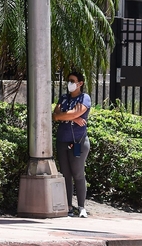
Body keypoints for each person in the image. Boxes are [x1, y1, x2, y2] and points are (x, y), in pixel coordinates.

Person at [52, 70, 91, 218]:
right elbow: (55, 115)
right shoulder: (63, 97)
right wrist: (72, 118)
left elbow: (75, 112)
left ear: (80, 83)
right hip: (63, 140)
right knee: (66, 174)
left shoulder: (84, 98)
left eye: (73, 81)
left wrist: (69, 116)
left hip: (77, 142)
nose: (70, 84)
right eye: (69, 81)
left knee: (78, 173)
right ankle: (68, 206)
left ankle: (81, 207)